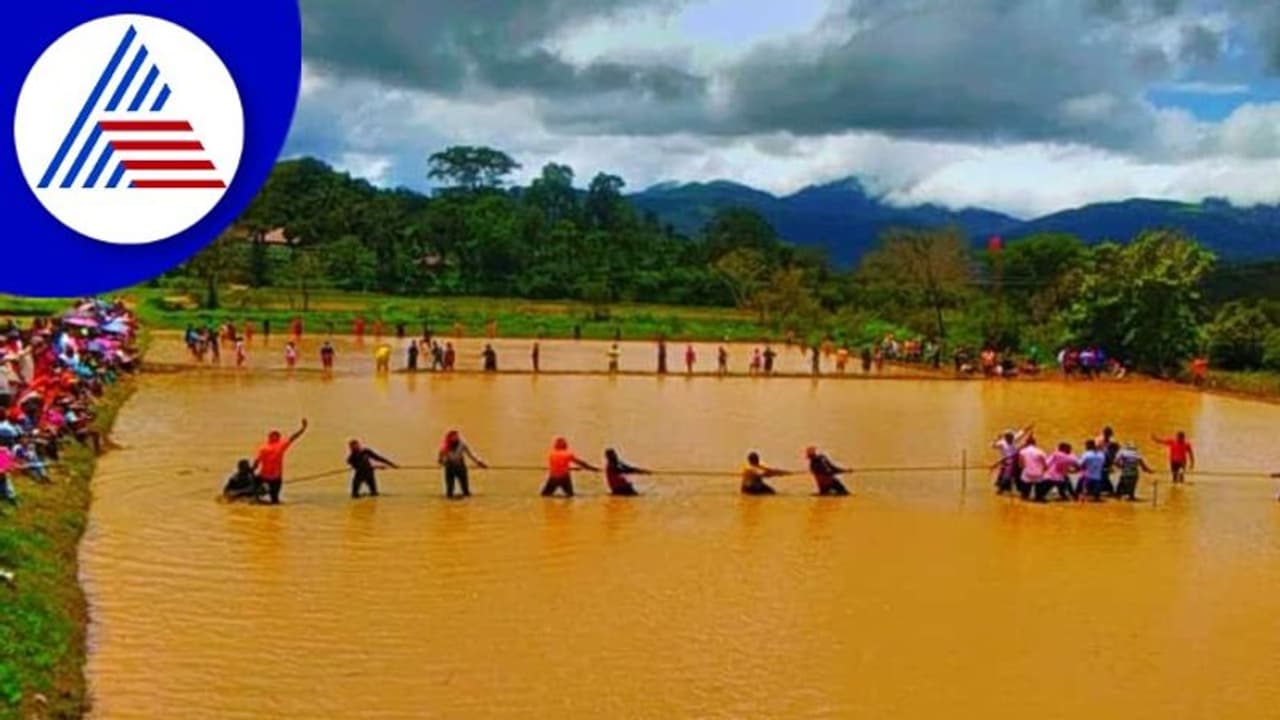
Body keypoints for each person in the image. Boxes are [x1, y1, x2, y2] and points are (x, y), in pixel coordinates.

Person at [251, 419, 308, 504]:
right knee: (275, 500)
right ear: (277, 438)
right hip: (273, 477)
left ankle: (256, 501)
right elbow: (293, 437)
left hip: (266, 476)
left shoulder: (265, 448)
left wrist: (251, 471)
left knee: (256, 495)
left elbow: (256, 462)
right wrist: (303, 428)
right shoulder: (279, 445)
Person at [439, 430, 487, 499]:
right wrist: (441, 461)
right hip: (449, 468)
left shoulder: (462, 444)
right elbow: (440, 457)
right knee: (449, 492)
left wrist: (479, 463)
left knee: (466, 491)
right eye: (454, 437)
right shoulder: (445, 445)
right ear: (449, 438)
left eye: (457, 436)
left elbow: (471, 455)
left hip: (460, 468)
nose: (456, 438)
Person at [991, 425, 1032, 495]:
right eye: (1009, 437)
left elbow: (1022, 432)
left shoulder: (1014, 438)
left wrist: (1029, 427)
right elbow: (992, 446)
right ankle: (1000, 490)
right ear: (1006, 437)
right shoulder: (1001, 443)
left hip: (1016, 460)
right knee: (1006, 477)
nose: (1011, 438)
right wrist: (996, 438)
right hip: (1006, 461)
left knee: (1018, 476)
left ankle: (1019, 489)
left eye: (1011, 437)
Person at [1017, 436, 1048, 500]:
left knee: (1025, 481)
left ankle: (1025, 495)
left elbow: (1020, 464)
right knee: (1040, 484)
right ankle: (1038, 496)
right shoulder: (1041, 452)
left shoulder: (1022, 451)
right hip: (1038, 474)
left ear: (1026, 443)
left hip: (1027, 474)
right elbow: (1045, 465)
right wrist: (1043, 470)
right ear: (1035, 443)